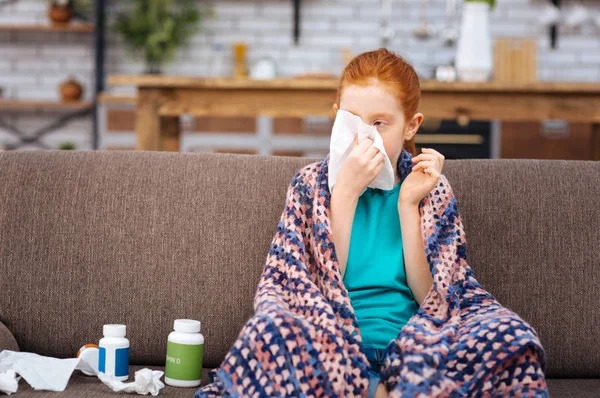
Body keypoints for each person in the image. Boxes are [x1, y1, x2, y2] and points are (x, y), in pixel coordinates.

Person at [329, 48, 445, 398]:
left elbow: (434, 301)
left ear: (411, 125)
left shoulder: (428, 190)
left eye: (379, 123)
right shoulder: (311, 187)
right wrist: (345, 194)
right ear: (336, 118)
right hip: (330, 342)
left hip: (410, 345)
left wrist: (409, 205)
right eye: (352, 119)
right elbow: (309, 289)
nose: (365, 137)